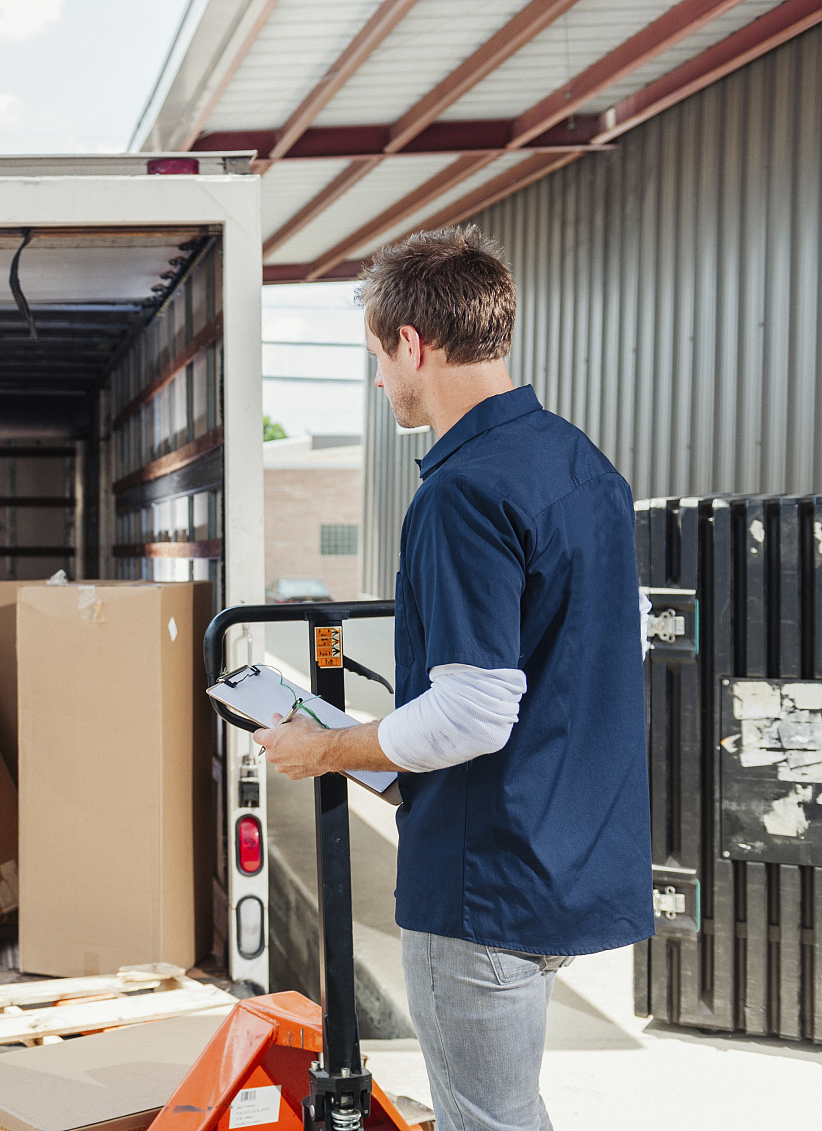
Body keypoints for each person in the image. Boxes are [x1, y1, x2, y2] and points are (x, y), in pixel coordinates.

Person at [255, 229, 651, 1131]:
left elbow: (474, 709)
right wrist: (395, 764)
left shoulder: (462, 491)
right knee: (506, 1111)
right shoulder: (585, 465)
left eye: (377, 358)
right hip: (568, 855)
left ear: (412, 344)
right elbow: (593, 654)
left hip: (485, 883)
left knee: (490, 1120)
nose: (381, 382)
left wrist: (326, 747)